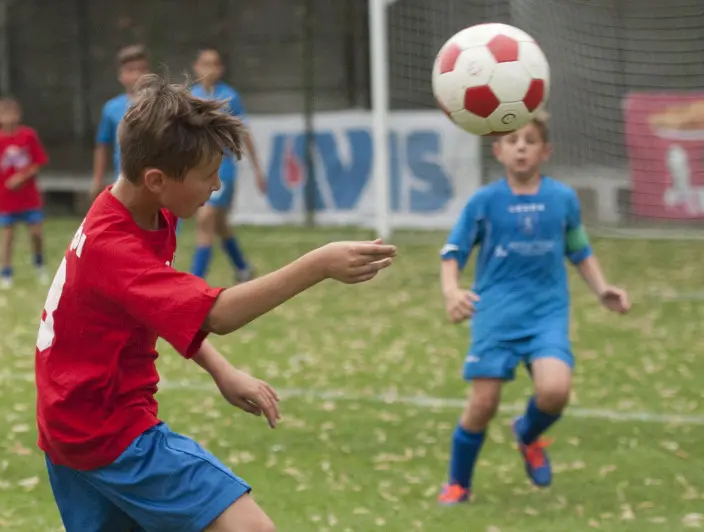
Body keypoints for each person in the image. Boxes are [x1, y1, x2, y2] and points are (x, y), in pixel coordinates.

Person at [35, 73, 397, 532]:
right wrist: (317, 265)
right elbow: (218, 314)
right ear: (156, 179)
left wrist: (221, 370)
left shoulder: (136, 209)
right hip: (112, 434)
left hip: (70, 429)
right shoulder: (116, 246)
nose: (217, 187)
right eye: (209, 177)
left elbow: (163, 309)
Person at [436, 114, 630, 505]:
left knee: (555, 391)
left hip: (546, 312)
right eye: (511, 140)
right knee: (482, 404)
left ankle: (527, 433)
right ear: (498, 151)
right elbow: (452, 252)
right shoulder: (485, 201)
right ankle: (458, 483)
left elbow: (580, 250)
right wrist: (452, 291)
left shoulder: (562, 199)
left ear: (546, 151)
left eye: (529, 140)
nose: (520, 146)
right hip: (496, 314)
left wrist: (602, 288)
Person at [189, 47, 266, 282]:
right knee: (219, 223)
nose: (208, 69)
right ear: (196, 67)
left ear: (220, 69)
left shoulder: (229, 97)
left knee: (205, 218)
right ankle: (243, 268)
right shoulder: (190, 96)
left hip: (223, 168)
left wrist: (257, 170)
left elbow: (244, 133)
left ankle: (195, 280)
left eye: (213, 64)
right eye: (204, 63)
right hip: (197, 165)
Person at [0, 96, 49, 289]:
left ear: (18, 114)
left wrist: (22, 177)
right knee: (7, 236)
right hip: (6, 199)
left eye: (11, 113)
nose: (8, 118)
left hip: (29, 198)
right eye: (3, 114)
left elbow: (38, 163)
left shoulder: (28, 136)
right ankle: (6, 273)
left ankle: (39, 263)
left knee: (36, 233)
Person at [89, 44, 151, 198]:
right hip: (126, 181)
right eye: (131, 70)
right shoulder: (111, 108)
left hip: (158, 181)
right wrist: (97, 180)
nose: (137, 75)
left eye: (141, 69)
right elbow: (102, 145)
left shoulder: (161, 104)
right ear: (121, 75)